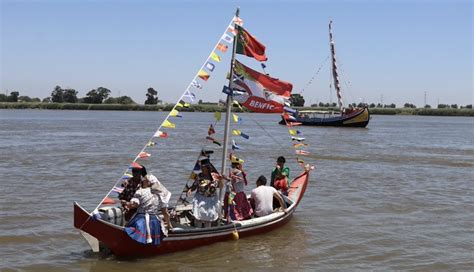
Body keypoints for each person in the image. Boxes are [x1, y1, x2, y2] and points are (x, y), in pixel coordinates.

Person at [122, 174, 172, 245]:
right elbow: (165, 213)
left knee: (130, 227)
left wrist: (126, 203)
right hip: (155, 222)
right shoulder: (161, 194)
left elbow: (134, 205)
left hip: (141, 220)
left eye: (143, 180)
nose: (142, 181)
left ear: (148, 182)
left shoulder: (140, 191)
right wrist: (169, 226)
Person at [187, 158, 223, 228]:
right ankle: (197, 229)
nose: (202, 169)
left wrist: (220, 180)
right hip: (200, 198)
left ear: (208, 167)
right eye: (201, 167)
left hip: (211, 200)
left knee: (208, 218)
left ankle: (207, 230)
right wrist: (190, 190)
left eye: (203, 167)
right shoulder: (200, 176)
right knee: (198, 218)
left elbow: (220, 186)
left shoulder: (214, 176)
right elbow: (195, 185)